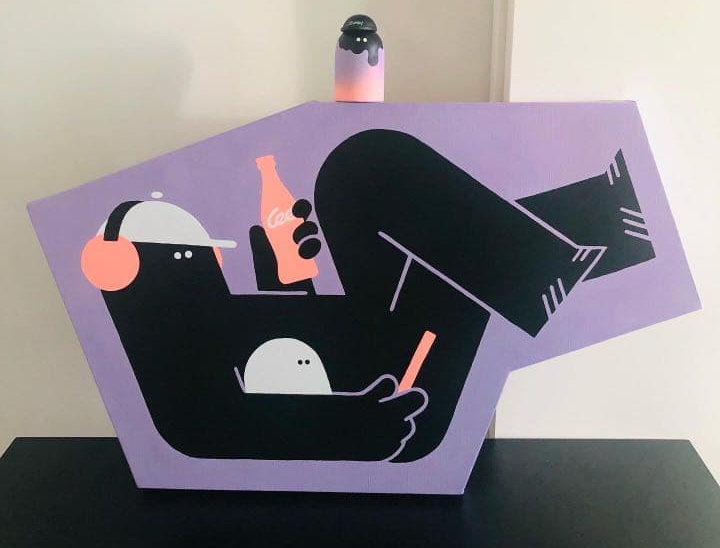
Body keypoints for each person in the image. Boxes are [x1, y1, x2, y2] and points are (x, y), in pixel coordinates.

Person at [86, 129, 654, 462]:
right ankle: (579, 247)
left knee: (355, 170)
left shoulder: (208, 319)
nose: (213, 265)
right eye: (194, 255)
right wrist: (353, 426)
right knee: (447, 261)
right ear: (133, 270)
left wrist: (287, 279)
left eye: (209, 254)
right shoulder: (171, 372)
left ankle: (555, 264)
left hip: (373, 339)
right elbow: (209, 428)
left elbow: (289, 343)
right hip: (400, 387)